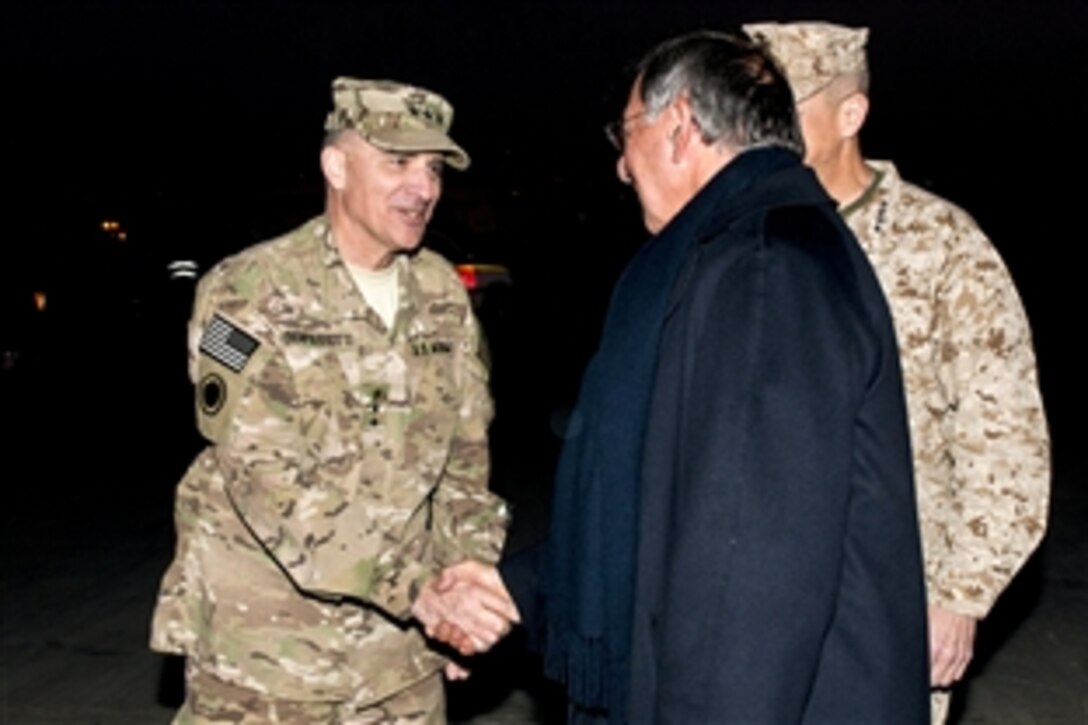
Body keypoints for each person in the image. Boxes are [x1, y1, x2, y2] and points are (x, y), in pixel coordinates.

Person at [436, 30, 930, 723]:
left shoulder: (765, 271)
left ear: (679, 126)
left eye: (625, 132)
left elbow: (744, 575)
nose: (619, 166)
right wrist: (519, 583)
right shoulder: (740, 249)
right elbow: (660, 496)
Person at [150, 77, 519, 724]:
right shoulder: (248, 292)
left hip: (400, 662)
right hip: (266, 661)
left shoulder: (439, 291)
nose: (423, 187)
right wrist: (425, 591)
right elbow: (263, 477)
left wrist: (466, 576)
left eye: (433, 167)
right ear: (336, 165)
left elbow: (464, 456)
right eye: (398, 161)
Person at [742, 21, 1051, 723]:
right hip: (761, 593)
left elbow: (1004, 435)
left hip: (888, 595)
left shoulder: (940, 246)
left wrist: (960, 594)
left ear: (850, 114)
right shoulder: (750, 232)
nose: (762, 128)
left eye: (784, 107)